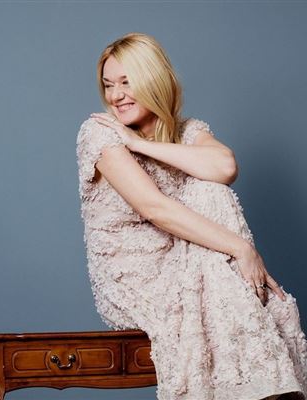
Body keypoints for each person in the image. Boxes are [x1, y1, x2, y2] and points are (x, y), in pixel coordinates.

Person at [77, 33, 307, 399]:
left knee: (212, 191)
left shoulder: (187, 130)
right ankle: (265, 385)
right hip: (135, 277)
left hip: (190, 261)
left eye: (126, 82)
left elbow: (225, 167)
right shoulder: (99, 132)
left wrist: (140, 144)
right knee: (210, 201)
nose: (115, 96)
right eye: (108, 85)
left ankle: (256, 385)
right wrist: (242, 249)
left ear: (154, 80)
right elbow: (154, 208)